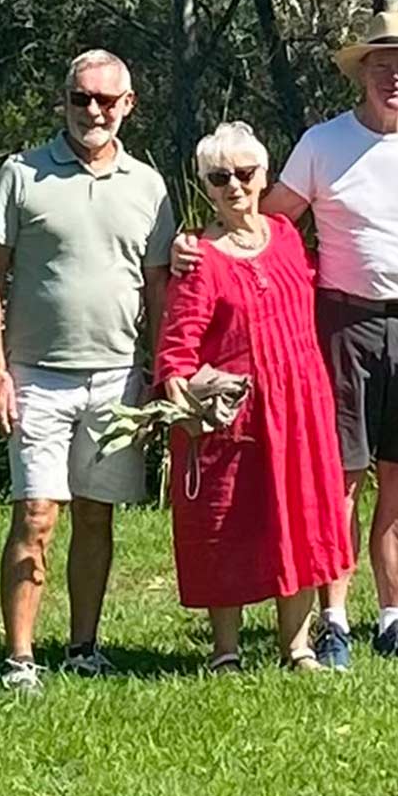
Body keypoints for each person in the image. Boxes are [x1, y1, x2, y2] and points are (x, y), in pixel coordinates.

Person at [173, 10, 398, 670]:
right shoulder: (322, 143)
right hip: (344, 324)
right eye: (382, 63)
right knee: (336, 474)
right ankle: (332, 620)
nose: (395, 75)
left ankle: (393, 618)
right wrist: (193, 246)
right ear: (360, 72)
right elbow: (261, 224)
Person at [0, 49, 177, 694]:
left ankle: (84, 648)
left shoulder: (149, 187)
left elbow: (158, 287)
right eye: (81, 99)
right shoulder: (21, 174)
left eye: (106, 101)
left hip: (118, 377)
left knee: (96, 515)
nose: (93, 111)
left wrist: (161, 369)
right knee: (36, 513)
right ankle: (19, 661)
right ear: (64, 100)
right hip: (37, 375)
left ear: (128, 105)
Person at [152, 122, 354, 671]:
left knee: (305, 518)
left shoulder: (287, 236)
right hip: (236, 417)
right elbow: (177, 344)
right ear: (206, 185)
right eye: (220, 177)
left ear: (265, 176)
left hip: (301, 407)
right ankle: (226, 650)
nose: (234, 186)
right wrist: (180, 390)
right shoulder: (198, 258)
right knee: (226, 524)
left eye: (245, 173)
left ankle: (297, 646)